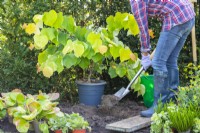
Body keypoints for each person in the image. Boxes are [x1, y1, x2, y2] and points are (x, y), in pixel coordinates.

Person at [129, 0, 195, 117]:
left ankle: (159, 105)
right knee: (170, 60)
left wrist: (145, 54)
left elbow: (143, 30)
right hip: (187, 14)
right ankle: (172, 100)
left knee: (158, 62)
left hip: (176, 17)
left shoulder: (136, 2)